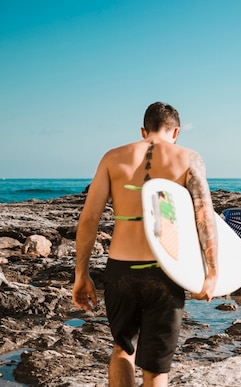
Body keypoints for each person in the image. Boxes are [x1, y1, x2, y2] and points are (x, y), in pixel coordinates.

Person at [72, 102, 219, 387]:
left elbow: (89, 218)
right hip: (164, 271)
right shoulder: (188, 158)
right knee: (156, 369)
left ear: (143, 130)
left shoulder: (112, 158)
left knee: (123, 350)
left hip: (120, 270)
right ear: (176, 131)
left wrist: (81, 274)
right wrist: (211, 273)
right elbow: (205, 216)